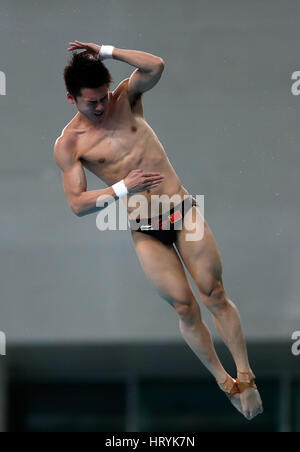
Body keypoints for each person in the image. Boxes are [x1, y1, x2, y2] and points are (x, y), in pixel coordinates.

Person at [54, 40, 263, 420]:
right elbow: (77, 204)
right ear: (72, 100)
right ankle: (224, 381)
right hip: (145, 228)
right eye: (90, 103)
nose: (100, 107)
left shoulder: (126, 99)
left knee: (213, 293)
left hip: (181, 211)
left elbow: (156, 66)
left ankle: (246, 376)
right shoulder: (69, 144)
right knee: (184, 307)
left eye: (102, 97)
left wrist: (106, 50)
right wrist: (123, 188)